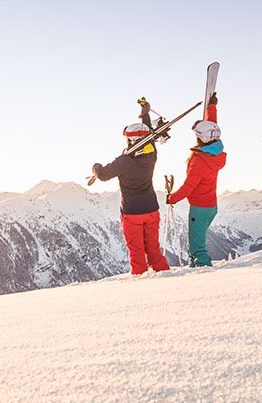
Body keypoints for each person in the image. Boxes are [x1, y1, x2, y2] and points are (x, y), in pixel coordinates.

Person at [92, 100, 170, 275]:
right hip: (152, 211)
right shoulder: (151, 155)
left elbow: (103, 175)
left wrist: (95, 167)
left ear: (131, 140)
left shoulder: (124, 162)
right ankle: (167, 279)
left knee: (137, 255)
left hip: (132, 214)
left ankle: (141, 288)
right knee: (154, 252)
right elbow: (149, 135)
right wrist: (145, 113)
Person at [166, 120, 227, 266]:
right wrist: (211, 106)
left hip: (199, 209)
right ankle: (194, 270)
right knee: (194, 243)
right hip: (211, 206)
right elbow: (211, 122)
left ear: (201, 137)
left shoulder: (199, 162)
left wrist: (172, 198)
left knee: (197, 248)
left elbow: (189, 187)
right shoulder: (216, 155)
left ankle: (203, 274)